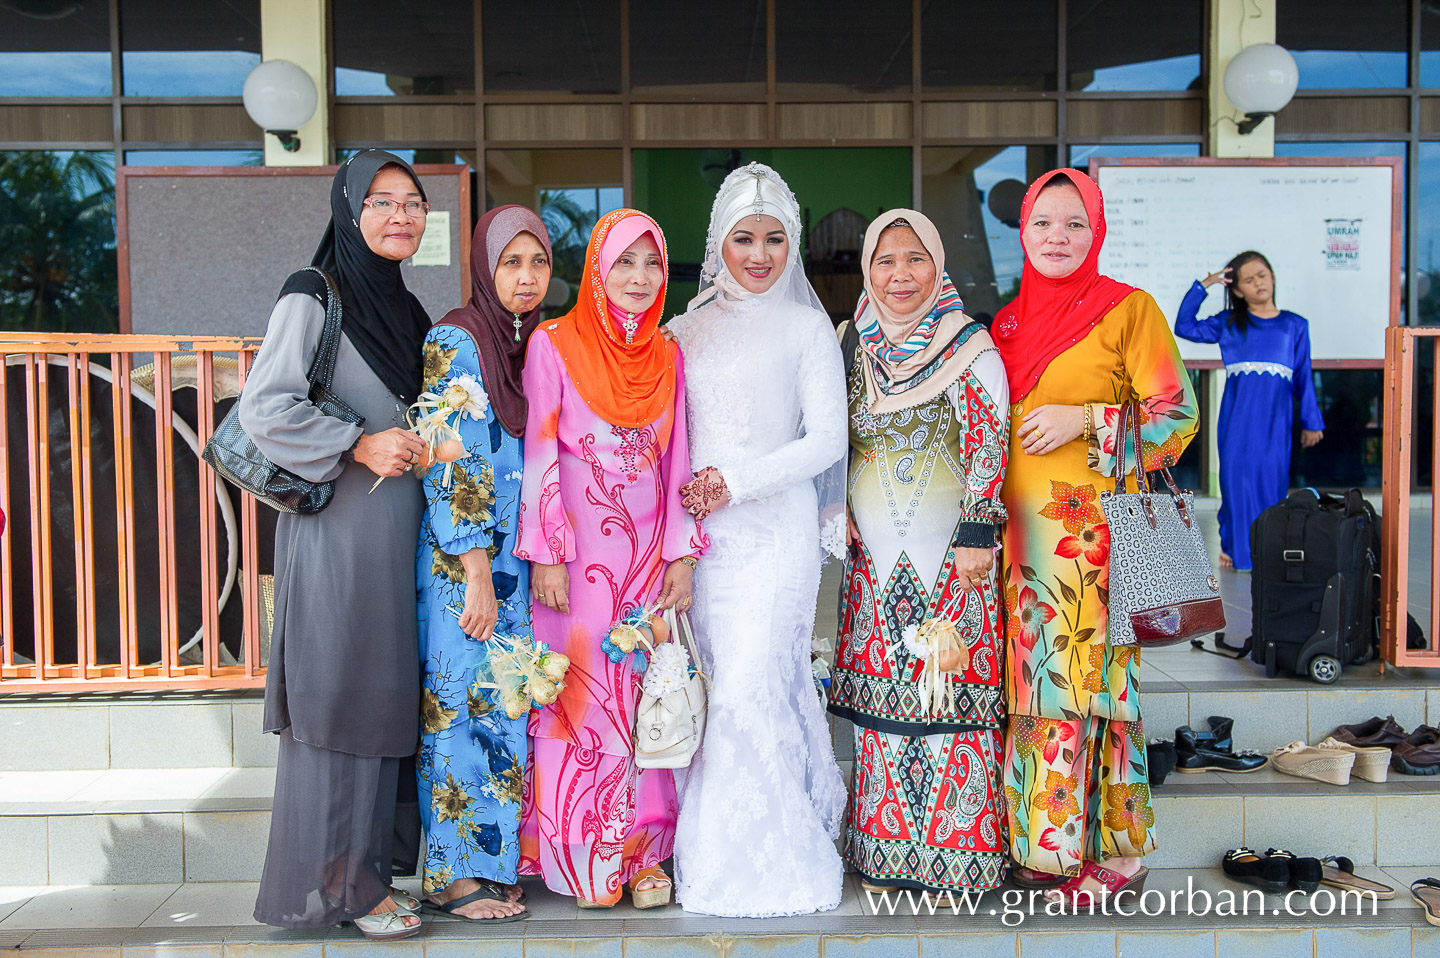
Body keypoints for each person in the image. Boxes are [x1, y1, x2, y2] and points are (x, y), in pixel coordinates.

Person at [992, 168, 1198, 905]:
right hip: (1021, 552)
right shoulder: (1006, 325)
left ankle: (1117, 852)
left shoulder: (1128, 311)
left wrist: (1087, 421)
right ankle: (1046, 852)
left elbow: (1178, 420)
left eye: (1075, 222)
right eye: (1043, 222)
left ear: (1097, 230)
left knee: (1098, 700)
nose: (1058, 236)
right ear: (1022, 230)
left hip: (1099, 547)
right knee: (1037, 697)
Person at [246, 150, 433, 940]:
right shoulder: (312, 294)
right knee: (339, 698)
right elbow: (265, 407)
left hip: (398, 543)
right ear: (349, 211)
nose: (399, 216)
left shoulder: (414, 315)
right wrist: (358, 443)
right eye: (381, 202)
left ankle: (368, 878)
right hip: (336, 534)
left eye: (412, 203)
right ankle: (338, 888)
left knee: (384, 699)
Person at [667, 163, 848, 917]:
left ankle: (776, 863)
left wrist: (733, 484)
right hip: (707, 550)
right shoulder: (681, 329)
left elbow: (828, 440)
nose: (760, 253)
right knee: (719, 692)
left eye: (776, 238)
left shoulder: (807, 327)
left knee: (751, 688)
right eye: (744, 237)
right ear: (718, 242)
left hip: (774, 540)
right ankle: (709, 853)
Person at [513, 208, 705, 909]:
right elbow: (541, 452)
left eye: (652, 263)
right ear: (597, 266)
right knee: (582, 703)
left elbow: (679, 455)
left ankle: (645, 853)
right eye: (625, 261)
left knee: (644, 698)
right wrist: (547, 553)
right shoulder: (553, 345)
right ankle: (580, 854)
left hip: (647, 565)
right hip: (575, 563)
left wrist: (683, 552)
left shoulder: (667, 353)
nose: (639, 277)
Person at [829, 209, 1010, 897]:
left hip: (951, 559)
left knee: (945, 696)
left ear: (938, 267)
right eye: (885, 260)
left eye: (914, 260)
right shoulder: (853, 346)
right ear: (868, 269)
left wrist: (977, 535)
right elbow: (832, 436)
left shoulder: (971, 347)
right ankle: (881, 855)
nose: (899, 274)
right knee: (885, 714)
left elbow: (990, 443)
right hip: (875, 558)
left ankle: (958, 855)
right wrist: (833, 501)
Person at [414, 205, 555, 923]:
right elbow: (448, 458)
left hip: (514, 569)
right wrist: (473, 569)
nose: (526, 278)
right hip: (461, 564)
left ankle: (490, 861)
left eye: (538, 263)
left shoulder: (525, 345)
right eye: (511, 263)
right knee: (455, 712)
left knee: (503, 707)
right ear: (484, 267)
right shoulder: (456, 338)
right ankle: (450, 875)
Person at [1175, 251, 1324, 571]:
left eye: (1263, 274)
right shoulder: (1229, 324)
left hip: (1275, 422)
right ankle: (1235, 549)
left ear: (1272, 277)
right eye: (1249, 279)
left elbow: (1303, 377)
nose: (1259, 282)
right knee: (1235, 484)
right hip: (1237, 423)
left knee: (1271, 484)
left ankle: (1267, 550)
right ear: (1238, 290)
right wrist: (1204, 286)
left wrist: (1311, 422)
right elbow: (1184, 326)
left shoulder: (1295, 325)